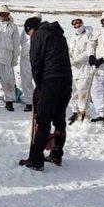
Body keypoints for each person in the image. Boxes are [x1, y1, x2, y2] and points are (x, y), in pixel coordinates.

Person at [20, 17, 72, 170]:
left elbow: (36, 62)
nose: (30, 36)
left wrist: (39, 86)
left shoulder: (38, 35)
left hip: (51, 81)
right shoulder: (58, 34)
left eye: (28, 33)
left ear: (31, 29)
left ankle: (36, 160)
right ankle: (56, 154)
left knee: (43, 120)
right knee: (59, 118)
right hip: (66, 80)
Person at [67, 17, 93, 123]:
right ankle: (74, 111)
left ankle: (83, 112)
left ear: (83, 24)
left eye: (79, 24)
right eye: (75, 25)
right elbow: (68, 50)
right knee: (72, 90)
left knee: (83, 91)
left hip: (84, 68)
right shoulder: (72, 38)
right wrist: (70, 59)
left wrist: (77, 59)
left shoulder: (89, 36)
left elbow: (89, 51)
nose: (77, 26)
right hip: (73, 68)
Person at [18, 13, 40, 112]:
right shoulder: (25, 30)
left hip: (37, 60)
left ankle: (39, 101)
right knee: (26, 81)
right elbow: (21, 42)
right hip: (25, 59)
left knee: (38, 81)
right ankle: (29, 102)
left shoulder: (41, 31)